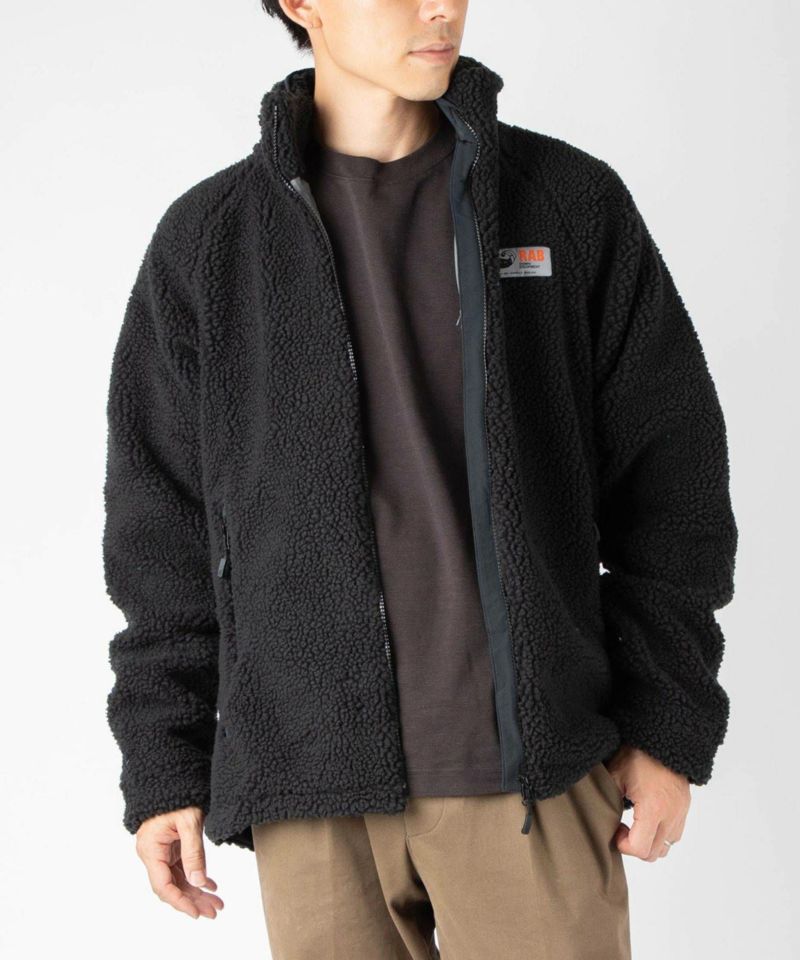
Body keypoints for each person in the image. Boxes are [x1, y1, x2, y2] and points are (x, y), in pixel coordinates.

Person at [101, 1, 738, 956]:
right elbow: (161, 537)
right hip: (311, 788)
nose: (441, 5)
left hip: (532, 776)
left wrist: (665, 723)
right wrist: (164, 763)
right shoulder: (211, 242)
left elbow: (675, 487)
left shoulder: (563, 202)